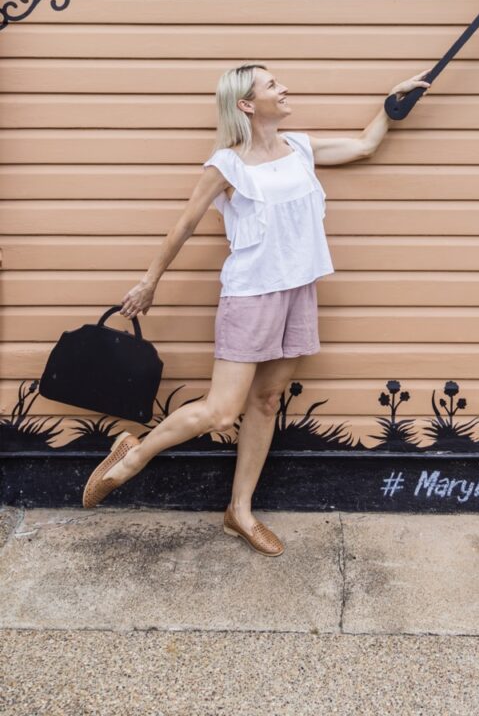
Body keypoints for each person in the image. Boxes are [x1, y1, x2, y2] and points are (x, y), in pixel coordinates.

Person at [81, 61, 431, 555]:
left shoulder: (301, 148)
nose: (284, 88)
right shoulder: (226, 165)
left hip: (298, 291)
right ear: (247, 104)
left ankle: (239, 512)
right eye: (272, 85)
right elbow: (183, 226)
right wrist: (149, 282)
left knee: (266, 402)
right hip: (251, 295)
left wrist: (391, 104)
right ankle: (134, 455)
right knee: (222, 411)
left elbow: (365, 146)